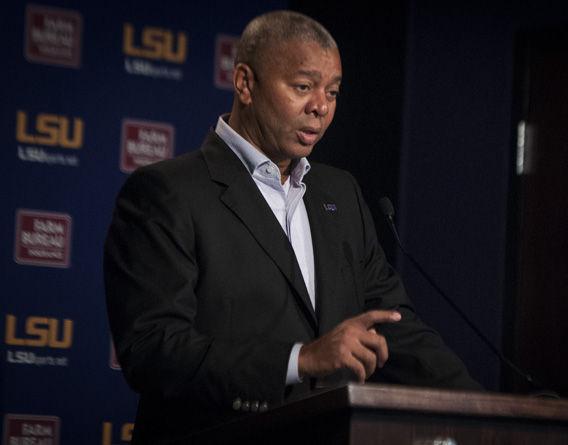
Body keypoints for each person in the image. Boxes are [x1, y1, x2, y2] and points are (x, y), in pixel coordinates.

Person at [104, 10, 481, 444]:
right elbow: (154, 350)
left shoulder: (339, 192)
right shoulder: (165, 192)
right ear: (246, 83)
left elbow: (392, 326)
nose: (320, 106)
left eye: (333, 92)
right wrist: (299, 360)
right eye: (303, 87)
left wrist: (487, 411)